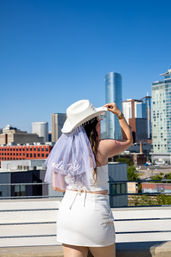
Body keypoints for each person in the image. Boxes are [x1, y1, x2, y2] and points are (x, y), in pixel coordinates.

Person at [44, 99, 132, 257]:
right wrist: (119, 115)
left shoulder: (62, 152)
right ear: (94, 125)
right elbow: (128, 141)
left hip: (69, 213)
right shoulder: (102, 147)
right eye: (99, 120)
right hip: (94, 212)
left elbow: (57, 187)